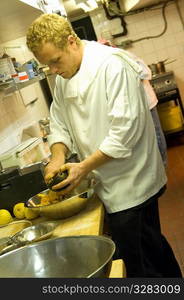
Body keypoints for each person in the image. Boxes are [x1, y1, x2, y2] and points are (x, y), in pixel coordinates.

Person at [26, 13, 182, 277]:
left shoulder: (112, 66)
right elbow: (59, 121)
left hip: (133, 182)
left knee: (144, 262)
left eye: (55, 61)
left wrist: (83, 167)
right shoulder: (64, 76)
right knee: (149, 252)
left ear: (71, 41)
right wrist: (57, 156)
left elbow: (124, 134)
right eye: (46, 66)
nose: (53, 70)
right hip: (106, 181)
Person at [98, 39, 167, 167]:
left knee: (156, 136)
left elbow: (146, 73)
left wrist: (129, 74)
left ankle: (163, 165)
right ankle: (155, 168)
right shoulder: (108, 65)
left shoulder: (124, 56)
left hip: (147, 104)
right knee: (146, 142)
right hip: (135, 109)